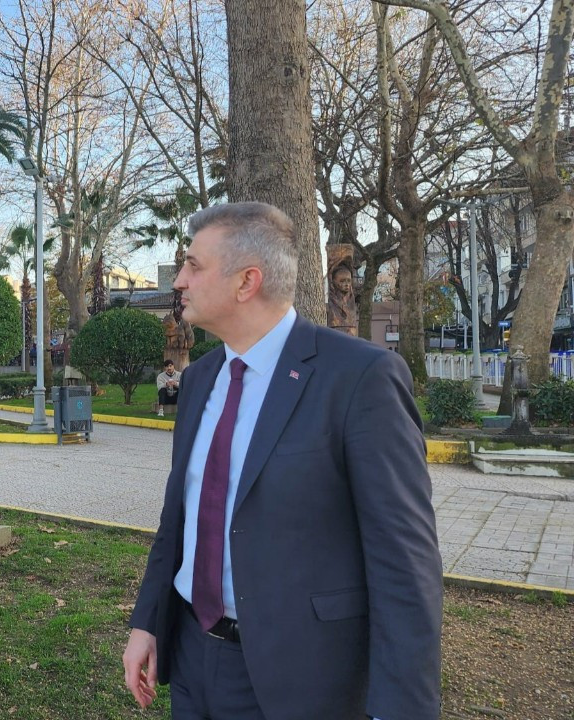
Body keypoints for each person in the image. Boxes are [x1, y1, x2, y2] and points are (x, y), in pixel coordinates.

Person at [121, 202, 441, 720]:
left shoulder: (360, 378)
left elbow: (404, 564)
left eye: (193, 265)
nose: (179, 280)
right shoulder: (200, 378)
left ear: (247, 281)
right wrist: (148, 622)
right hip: (191, 658)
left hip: (303, 677)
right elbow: (178, 520)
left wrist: (402, 709)